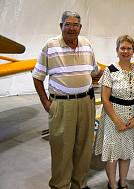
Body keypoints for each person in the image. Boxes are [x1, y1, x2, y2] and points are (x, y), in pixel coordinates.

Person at [32, 11, 98, 189]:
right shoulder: (50, 46)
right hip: (62, 104)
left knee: (84, 148)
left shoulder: (87, 44)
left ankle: (79, 185)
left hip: (86, 103)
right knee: (62, 149)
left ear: (80, 28)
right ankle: (60, 186)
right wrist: (46, 103)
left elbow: (93, 71)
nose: (71, 28)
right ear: (60, 26)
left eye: (75, 24)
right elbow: (37, 77)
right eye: (67, 24)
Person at [94, 35, 134, 189]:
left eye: (129, 48)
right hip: (112, 116)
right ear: (117, 51)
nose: (125, 51)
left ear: (133, 51)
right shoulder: (110, 71)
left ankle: (123, 183)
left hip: (131, 117)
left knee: (126, 152)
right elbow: (105, 98)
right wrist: (117, 120)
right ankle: (113, 185)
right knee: (112, 154)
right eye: (122, 48)